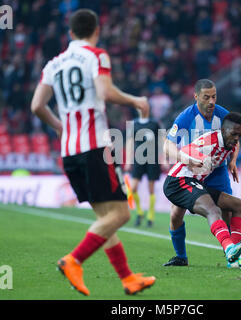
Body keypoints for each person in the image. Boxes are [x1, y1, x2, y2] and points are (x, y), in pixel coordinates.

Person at [30, 9, 155, 296]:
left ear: (70, 33)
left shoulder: (53, 64)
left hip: (69, 151)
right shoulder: (96, 55)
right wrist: (136, 100)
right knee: (121, 214)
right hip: (95, 147)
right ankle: (74, 260)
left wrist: (59, 126)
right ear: (96, 31)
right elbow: (106, 92)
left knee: (105, 217)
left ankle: (127, 278)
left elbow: (37, 105)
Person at [163, 79, 240, 266]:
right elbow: (168, 145)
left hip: (216, 170)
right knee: (175, 214)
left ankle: (233, 255)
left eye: (214, 96)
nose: (211, 101)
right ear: (196, 97)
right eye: (206, 97)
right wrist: (184, 159)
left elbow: (235, 138)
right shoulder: (186, 117)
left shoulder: (223, 115)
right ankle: (181, 257)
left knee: (227, 210)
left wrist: (233, 161)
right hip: (191, 173)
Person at [125, 114, 164, 227]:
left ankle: (150, 216)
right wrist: (128, 160)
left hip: (153, 158)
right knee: (133, 188)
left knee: (151, 189)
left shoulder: (155, 123)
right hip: (138, 158)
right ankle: (140, 212)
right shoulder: (134, 124)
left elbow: (161, 140)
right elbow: (130, 141)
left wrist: (163, 158)